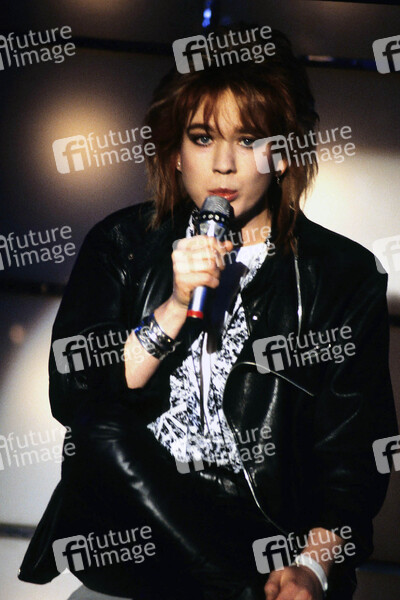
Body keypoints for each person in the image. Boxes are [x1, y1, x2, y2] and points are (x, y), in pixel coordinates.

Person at [18, 24, 397, 600]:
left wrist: (313, 568)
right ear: (174, 151)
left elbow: (352, 463)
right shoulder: (121, 245)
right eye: (202, 137)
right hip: (137, 537)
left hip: (263, 536)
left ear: (282, 153)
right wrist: (173, 307)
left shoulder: (340, 276)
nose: (223, 164)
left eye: (249, 139)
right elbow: (75, 398)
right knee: (103, 428)